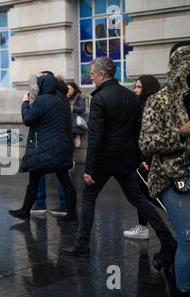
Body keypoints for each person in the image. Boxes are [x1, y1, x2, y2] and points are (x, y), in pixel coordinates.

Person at [61, 57, 176, 261]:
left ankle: (81, 245)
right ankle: (167, 239)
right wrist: (140, 157)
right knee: (139, 199)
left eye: (93, 74)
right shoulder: (130, 96)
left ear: (102, 75)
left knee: (88, 198)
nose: (91, 77)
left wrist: (89, 168)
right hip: (126, 158)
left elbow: (96, 136)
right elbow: (137, 131)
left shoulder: (99, 98)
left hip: (105, 159)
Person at [139, 42, 190, 297]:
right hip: (173, 177)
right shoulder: (159, 101)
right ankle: (182, 290)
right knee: (188, 238)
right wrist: (180, 133)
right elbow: (146, 142)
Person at [8, 72, 77, 224]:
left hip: (44, 148)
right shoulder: (61, 100)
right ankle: (72, 214)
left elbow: (28, 119)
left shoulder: (42, 100)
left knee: (34, 180)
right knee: (65, 181)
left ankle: (25, 211)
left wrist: (25, 103)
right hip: (61, 147)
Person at [123, 75, 161, 240]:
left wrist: (143, 158)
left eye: (138, 87)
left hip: (147, 157)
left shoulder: (147, 106)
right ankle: (143, 226)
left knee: (148, 194)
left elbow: (146, 135)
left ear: (148, 88)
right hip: (145, 156)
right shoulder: (144, 104)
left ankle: (146, 226)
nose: (135, 90)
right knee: (144, 193)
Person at [31, 73, 73, 217]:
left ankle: (44, 204)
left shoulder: (50, 98)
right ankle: (63, 207)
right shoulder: (61, 96)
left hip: (50, 143)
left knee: (59, 177)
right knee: (62, 176)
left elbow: (32, 118)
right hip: (62, 142)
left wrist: (28, 103)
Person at [68, 81, 86, 148]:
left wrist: (73, 108)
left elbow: (82, 108)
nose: (68, 90)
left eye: (70, 89)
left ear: (74, 89)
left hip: (74, 123)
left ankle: (77, 135)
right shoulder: (65, 97)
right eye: (67, 89)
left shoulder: (79, 97)